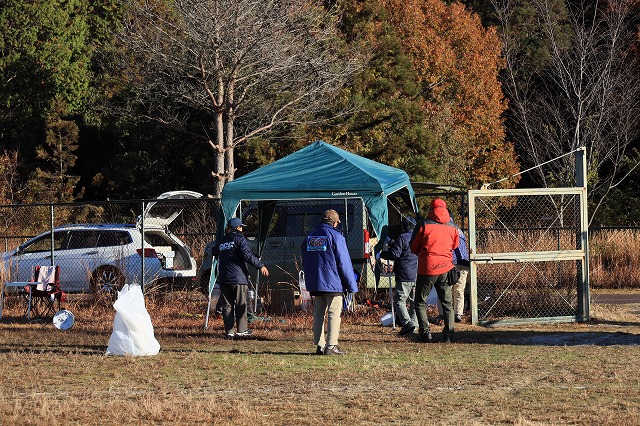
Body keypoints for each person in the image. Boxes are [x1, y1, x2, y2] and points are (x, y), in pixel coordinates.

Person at [301, 209, 358, 355]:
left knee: (318, 313)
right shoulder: (336, 236)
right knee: (334, 313)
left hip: (316, 283)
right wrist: (351, 285)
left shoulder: (310, 237)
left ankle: (320, 345)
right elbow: (344, 263)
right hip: (333, 282)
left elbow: (306, 260)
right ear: (334, 222)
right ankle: (331, 346)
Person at [410, 198, 459, 343]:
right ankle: (448, 335)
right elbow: (455, 246)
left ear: (431, 209)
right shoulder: (453, 226)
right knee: (447, 303)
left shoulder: (423, 224)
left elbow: (413, 247)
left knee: (420, 301)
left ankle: (425, 333)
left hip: (427, 267)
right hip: (446, 268)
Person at [212, 217, 269, 338]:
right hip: (238, 278)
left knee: (227, 305)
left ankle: (229, 332)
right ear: (237, 228)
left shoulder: (222, 241)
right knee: (240, 304)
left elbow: (214, 251)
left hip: (224, 278)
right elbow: (246, 255)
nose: (242, 229)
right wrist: (260, 265)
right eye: (241, 227)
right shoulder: (240, 239)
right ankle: (242, 330)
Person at [379, 216, 419, 336]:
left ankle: (407, 323)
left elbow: (395, 254)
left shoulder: (402, 237)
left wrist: (382, 254)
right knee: (414, 301)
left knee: (399, 300)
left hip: (404, 273)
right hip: (417, 272)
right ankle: (415, 324)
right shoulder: (418, 237)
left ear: (404, 226)